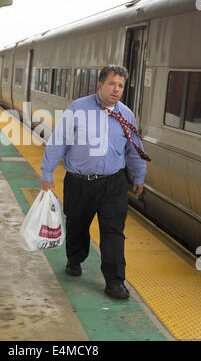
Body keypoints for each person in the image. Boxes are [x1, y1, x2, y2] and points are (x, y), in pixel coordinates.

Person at [40, 65, 148, 300]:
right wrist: (47, 172)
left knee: (113, 231)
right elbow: (59, 141)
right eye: (111, 84)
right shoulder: (78, 109)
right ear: (100, 85)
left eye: (120, 85)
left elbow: (134, 148)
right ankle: (75, 258)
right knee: (77, 224)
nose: (116, 89)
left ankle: (115, 281)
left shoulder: (126, 114)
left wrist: (139, 175)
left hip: (113, 184)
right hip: (79, 182)